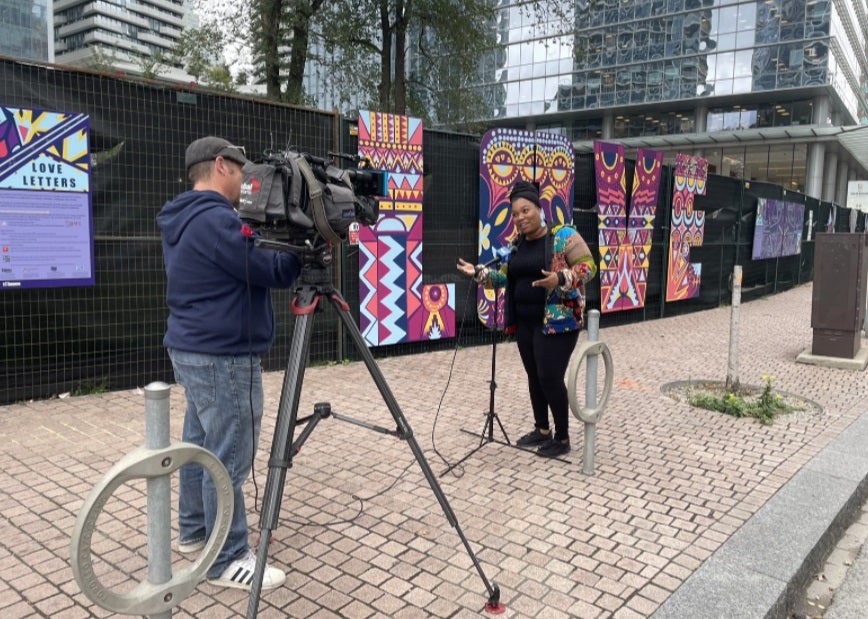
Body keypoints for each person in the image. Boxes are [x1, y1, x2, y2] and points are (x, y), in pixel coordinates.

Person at [156, 136, 301, 591]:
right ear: (221, 166)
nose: (247, 181)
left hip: (193, 348)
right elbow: (271, 270)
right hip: (223, 355)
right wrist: (307, 247)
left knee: (200, 446)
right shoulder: (216, 221)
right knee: (228, 459)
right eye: (241, 171)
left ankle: (196, 531)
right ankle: (228, 558)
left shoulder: (184, 216)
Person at [457, 180, 597, 458]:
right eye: (516, 213)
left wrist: (560, 278)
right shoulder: (516, 243)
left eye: (526, 210)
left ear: (538, 208)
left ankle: (563, 438)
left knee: (550, 377)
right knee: (534, 376)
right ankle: (541, 429)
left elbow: (589, 267)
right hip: (525, 322)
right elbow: (503, 277)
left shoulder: (563, 235)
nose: (520, 217)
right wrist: (480, 273)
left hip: (559, 323)